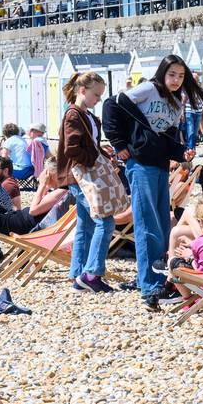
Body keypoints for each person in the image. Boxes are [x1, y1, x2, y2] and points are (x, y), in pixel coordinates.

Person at [103, 54, 203, 310]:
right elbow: (111, 106)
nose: (176, 80)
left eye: (181, 76)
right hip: (140, 165)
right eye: (172, 74)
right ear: (162, 73)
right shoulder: (148, 89)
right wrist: (119, 145)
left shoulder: (176, 102)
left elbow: (167, 138)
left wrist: (181, 153)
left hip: (160, 166)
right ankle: (149, 286)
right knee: (146, 225)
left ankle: (162, 281)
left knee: (162, 225)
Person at [57, 70, 118, 293]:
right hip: (80, 176)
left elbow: (87, 143)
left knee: (86, 224)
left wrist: (101, 152)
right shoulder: (74, 115)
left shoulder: (86, 115)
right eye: (96, 95)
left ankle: (77, 273)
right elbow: (72, 149)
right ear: (82, 91)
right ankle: (91, 274)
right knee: (105, 221)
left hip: (81, 176)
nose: (98, 100)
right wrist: (95, 159)